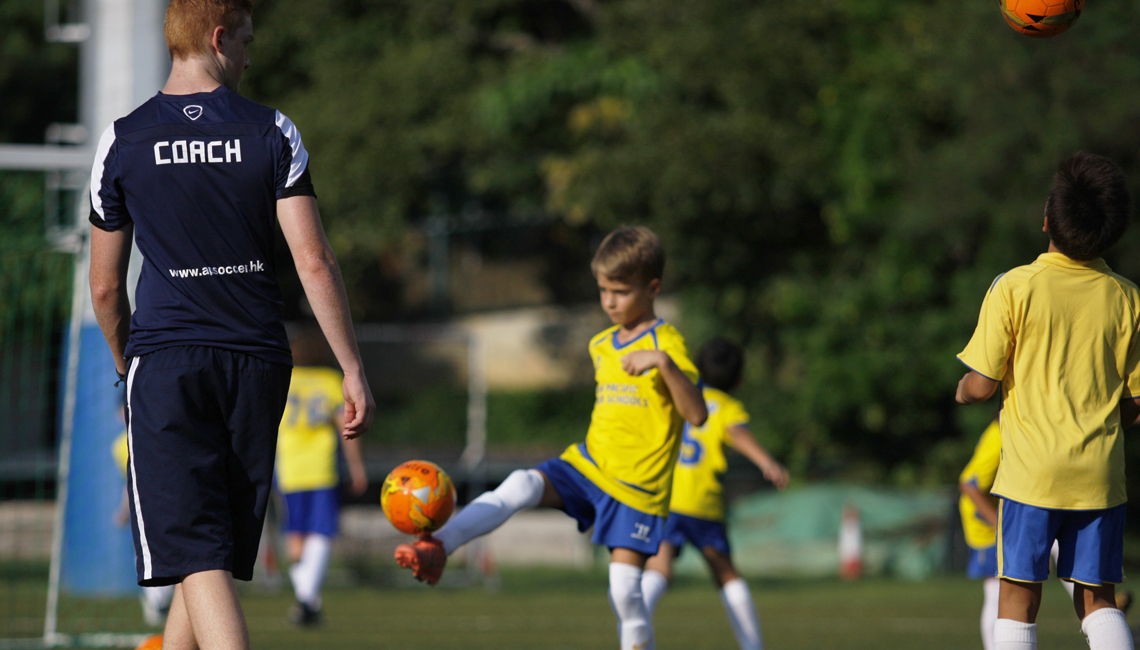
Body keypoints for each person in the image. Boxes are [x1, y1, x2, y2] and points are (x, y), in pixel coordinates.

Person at [87, 1, 375, 648]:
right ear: (218, 39)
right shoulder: (272, 130)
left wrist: (123, 361)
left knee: (195, 551)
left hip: (167, 361)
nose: (249, 55)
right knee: (207, 547)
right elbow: (315, 260)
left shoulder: (123, 139)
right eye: (245, 41)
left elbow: (105, 286)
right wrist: (352, 368)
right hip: (256, 360)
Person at [395, 226, 708, 650]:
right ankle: (439, 548)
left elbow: (697, 414)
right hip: (589, 466)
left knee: (623, 590)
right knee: (522, 483)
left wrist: (664, 365)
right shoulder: (603, 344)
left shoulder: (666, 342)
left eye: (620, 291)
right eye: (602, 290)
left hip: (637, 489)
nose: (610, 301)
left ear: (652, 288)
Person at [955, 152, 1139, 650]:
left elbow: (981, 383)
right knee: (1098, 601)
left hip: (1031, 474)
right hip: (1099, 474)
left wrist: (963, 390)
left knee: (1017, 600)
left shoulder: (1015, 285)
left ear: (1046, 217)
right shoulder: (1126, 297)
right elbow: (1135, 402)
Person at [641, 337, 789, 650]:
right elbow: (736, 431)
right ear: (739, 379)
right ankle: (753, 646)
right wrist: (767, 461)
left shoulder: (680, 395)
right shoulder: (726, 406)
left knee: (659, 569)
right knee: (726, 574)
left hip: (665, 498)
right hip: (701, 502)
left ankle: (634, 633)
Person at [960, 419, 1135, 650]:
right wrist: (998, 523)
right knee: (998, 592)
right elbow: (969, 484)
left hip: (1022, 506)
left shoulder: (1025, 424)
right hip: (990, 522)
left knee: (1048, 555)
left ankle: (1091, 600)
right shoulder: (1000, 431)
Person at [276, 327, 368, 626]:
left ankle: (307, 601)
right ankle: (306, 599)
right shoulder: (330, 382)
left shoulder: (283, 380)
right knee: (322, 531)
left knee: (295, 534)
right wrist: (357, 467)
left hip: (287, 467)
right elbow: (347, 429)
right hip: (320, 467)